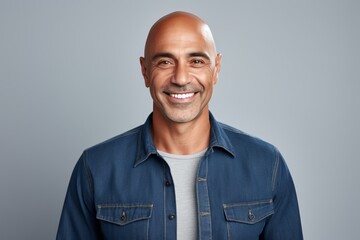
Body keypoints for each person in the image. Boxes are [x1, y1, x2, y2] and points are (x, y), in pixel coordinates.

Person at [56, 11, 303, 240]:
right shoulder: (96, 168)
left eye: (196, 61)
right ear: (144, 71)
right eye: (165, 62)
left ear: (216, 69)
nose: (181, 78)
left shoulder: (267, 165)